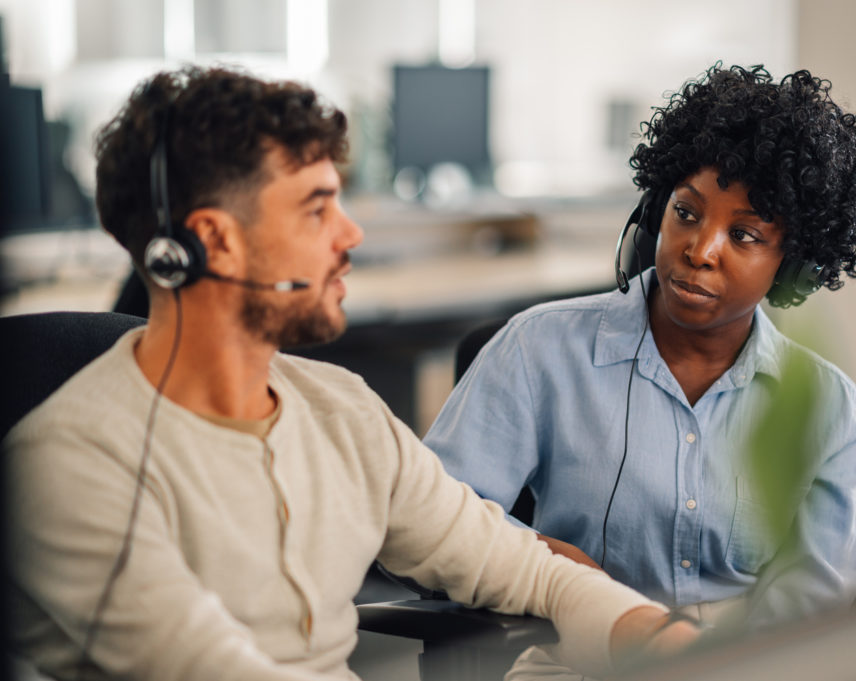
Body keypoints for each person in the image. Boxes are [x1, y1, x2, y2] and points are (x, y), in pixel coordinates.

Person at [3, 66, 697, 681]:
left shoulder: (341, 413)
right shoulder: (67, 464)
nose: (351, 233)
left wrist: (657, 637)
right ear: (211, 240)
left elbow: (526, 568)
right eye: (316, 208)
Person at [424, 64, 856, 631]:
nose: (699, 250)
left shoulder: (829, 411)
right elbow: (433, 520)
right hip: (574, 655)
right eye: (686, 213)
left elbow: (809, 610)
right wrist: (554, 574)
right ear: (655, 214)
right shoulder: (537, 350)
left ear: (793, 267)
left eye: (743, 235)